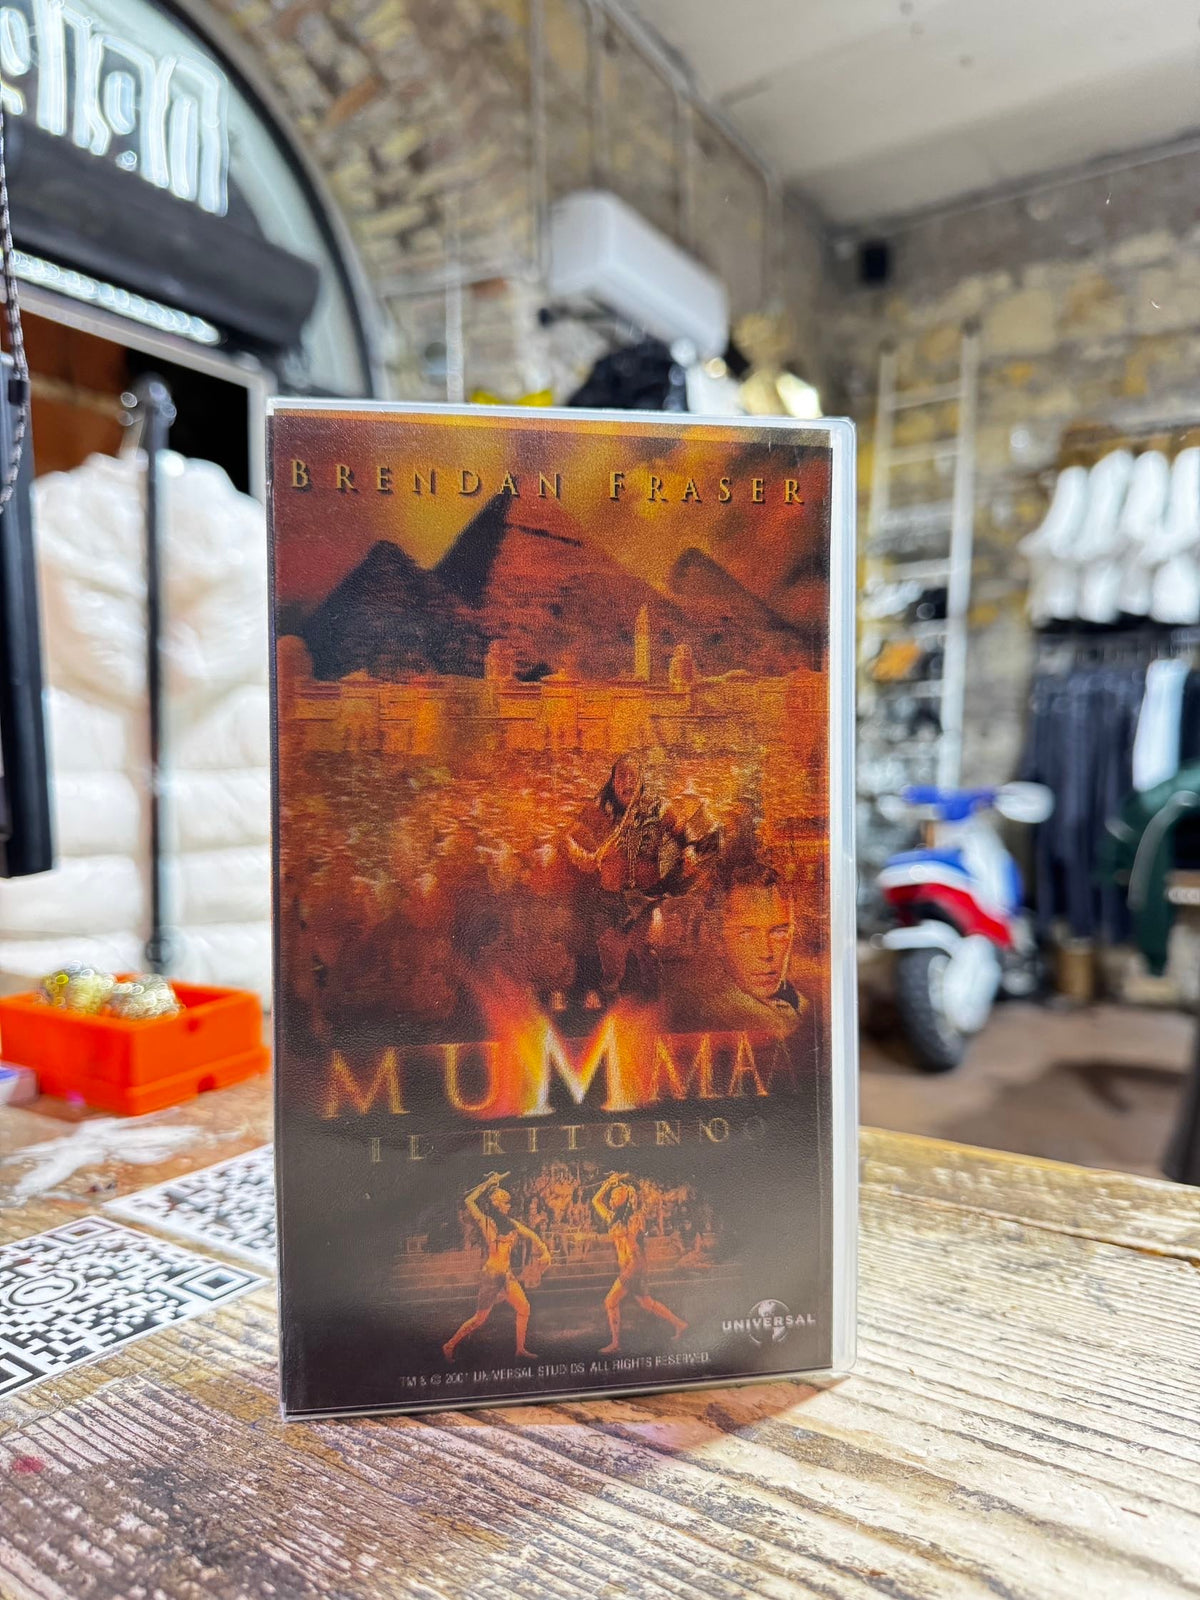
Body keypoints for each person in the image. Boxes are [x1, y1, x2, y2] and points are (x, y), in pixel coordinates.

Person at [442, 1172, 551, 1363]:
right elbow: (469, 1201)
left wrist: (544, 1250)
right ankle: (449, 1345)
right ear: (497, 1204)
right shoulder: (486, 1222)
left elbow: (531, 1234)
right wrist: (487, 1183)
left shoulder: (511, 1224)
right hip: (492, 1276)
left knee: (524, 1308)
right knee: (479, 1319)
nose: (509, 1206)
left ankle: (520, 1349)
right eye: (506, 1203)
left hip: (507, 1275)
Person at [592, 1172, 687, 1354]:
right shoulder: (611, 1217)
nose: (611, 1198)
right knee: (647, 1303)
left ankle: (615, 1343)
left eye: (616, 1195)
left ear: (625, 1197)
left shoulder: (634, 1218)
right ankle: (679, 1324)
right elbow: (596, 1201)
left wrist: (625, 1184)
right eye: (611, 1195)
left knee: (610, 1301)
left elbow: (634, 1241)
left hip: (634, 1265)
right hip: (629, 1266)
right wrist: (608, 1184)